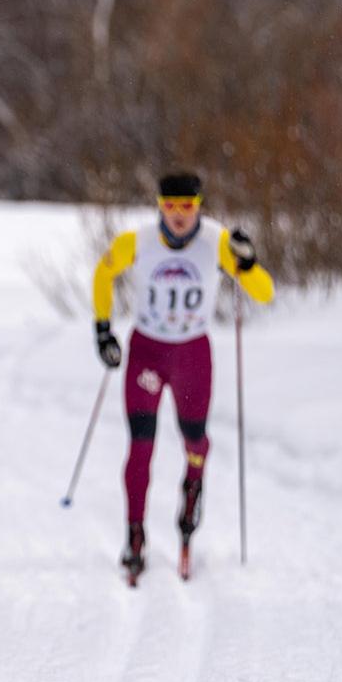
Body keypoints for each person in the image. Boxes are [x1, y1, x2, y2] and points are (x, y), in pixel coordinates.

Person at [91, 172, 274, 581]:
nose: (178, 215)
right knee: (141, 445)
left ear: (199, 206)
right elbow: (103, 274)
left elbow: (263, 292)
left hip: (192, 355)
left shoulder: (216, 241)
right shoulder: (136, 242)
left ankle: (190, 500)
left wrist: (247, 263)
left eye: (187, 206)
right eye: (169, 206)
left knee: (196, 441)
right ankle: (134, 535)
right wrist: (102, 330)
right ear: (159, 205)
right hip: (148, 354)